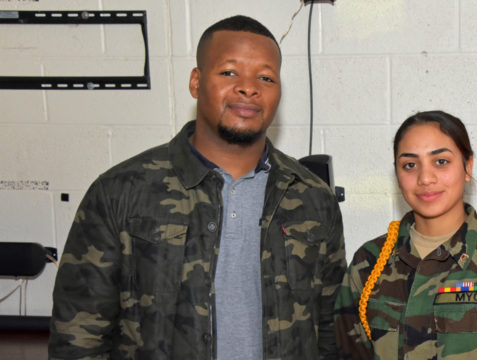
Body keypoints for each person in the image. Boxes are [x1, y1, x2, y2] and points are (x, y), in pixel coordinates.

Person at [49, 15, 346, 359]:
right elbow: (78, 337)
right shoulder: (121, 191)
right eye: (229, 72)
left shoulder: (312, 198)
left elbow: (331, 333)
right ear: (196, 81)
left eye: (265, 77)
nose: (248, 87)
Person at [335, 110, 477, 359]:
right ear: (397, 176)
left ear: (468, 166)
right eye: (410, 165)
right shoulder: (369, 263)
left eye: (441, 161)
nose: (425, 178)